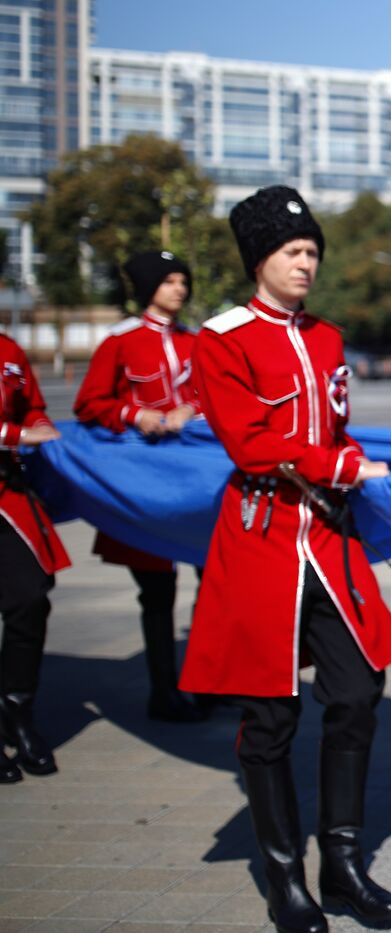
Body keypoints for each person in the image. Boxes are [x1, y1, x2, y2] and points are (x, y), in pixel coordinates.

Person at [182, 186, 391, 933]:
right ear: (260, 260)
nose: (306, 263)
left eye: (312, 250)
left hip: (328, 540)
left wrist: (354, 465)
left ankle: (343, 862)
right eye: (292, 251)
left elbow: (336, 429)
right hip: (261, 539)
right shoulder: (221, 338)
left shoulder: (328, 337)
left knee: (359, 689)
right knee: (269, 714)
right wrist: (342, 469)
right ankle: (286, 877)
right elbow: (251, 443)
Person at [73, 249, 206, 722]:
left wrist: (191, 410)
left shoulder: (197, 342)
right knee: (156, 589)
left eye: (182, 280)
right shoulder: (121, 342)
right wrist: (137, 414)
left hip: (195, 481)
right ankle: (163, 693)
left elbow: (211, 394)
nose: (179, 289)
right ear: (149, 287)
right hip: (145, 481)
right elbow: (89, 404)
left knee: (211, 580)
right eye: (169, 281)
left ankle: (209, 685)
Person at [0, 334, 69, 782]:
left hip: (8, 493)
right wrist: (16, 434)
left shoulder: (10, 350)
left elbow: (31, 406)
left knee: (30, 599)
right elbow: (17, 426)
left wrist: (41, 427)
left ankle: (18, 715)